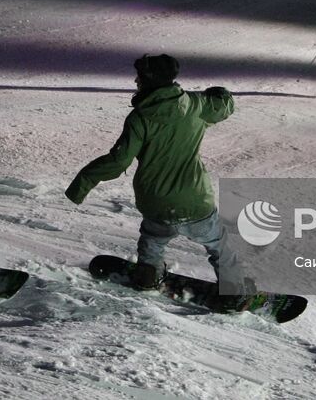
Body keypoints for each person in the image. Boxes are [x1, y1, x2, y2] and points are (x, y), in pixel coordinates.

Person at [65, 54, 247, 299]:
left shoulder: (140, 118)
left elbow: (119, 161)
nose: (136, 81)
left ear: (150, 80)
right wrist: (220, 92)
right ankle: (234, 291)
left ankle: (148, 276)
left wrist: (82, 183)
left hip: (156, 203)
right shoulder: (196, 104)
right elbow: (224, 105)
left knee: (153, 239)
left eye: (139, 76)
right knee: (219, 245)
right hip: (194, 200)